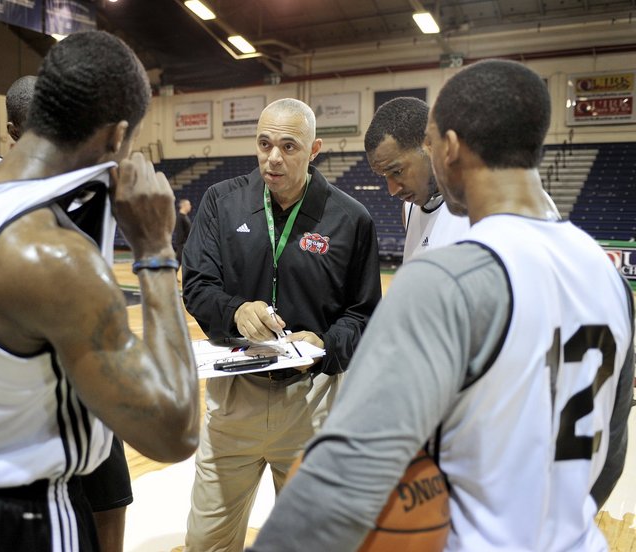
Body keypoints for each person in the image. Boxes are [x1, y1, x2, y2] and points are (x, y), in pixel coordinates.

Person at [248, 59, 634, 552]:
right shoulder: (608, 277)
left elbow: (345, 473)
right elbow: (612, 456)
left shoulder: (447, 279)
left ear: (447, 146)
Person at [0, 31, 199, 552]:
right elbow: (175, 432)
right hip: (13, 520)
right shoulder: (52, 256)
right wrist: (157, 248)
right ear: (117, 136)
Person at [182, 98, 382, 551]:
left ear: (314, 151)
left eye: (289, 146)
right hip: (232, 400)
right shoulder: (221, 202)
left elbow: (364, 313)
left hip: (312, 404)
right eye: (265, 143)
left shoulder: (351, 219)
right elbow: (196, 285)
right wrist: (235, 310)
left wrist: (325, 345)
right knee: (206, 543)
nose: (274, 157)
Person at [1, 72, 134, 552]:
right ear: (14, 132)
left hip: (89, 383)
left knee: (111, 501)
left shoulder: (88, 179)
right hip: (31, 392)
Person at [365, 96, 468, 262]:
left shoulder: (481, 209)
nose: (392, 190)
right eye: (385, 176)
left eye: (397, 171)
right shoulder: (408, 209)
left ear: (431, 144)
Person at [172, 198, 192, 269]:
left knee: (180, 261)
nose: (190, 206)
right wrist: (182, 245)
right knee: (179, 260)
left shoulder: (184, 216)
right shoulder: (180, 217)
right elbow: (180, 232)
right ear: (184, 205)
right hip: (182, 244)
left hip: (185, 244)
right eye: (189, 204)